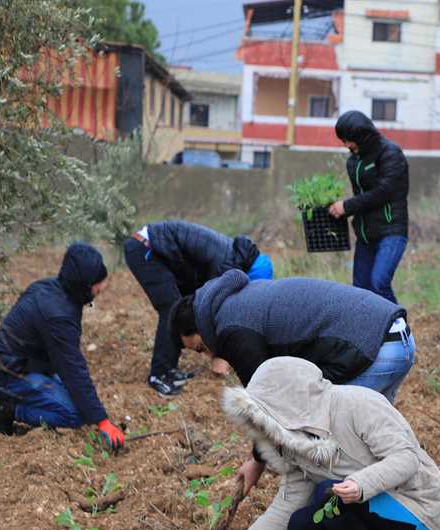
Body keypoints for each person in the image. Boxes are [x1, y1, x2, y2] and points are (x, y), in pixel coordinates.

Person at [204, 357, 440, 530]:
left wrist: (360, 484)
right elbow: (283, 509)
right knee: (299, 525)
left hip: (414, 511)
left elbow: (406, 458)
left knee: (327, 494)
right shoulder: (298, 446)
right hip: (372, 514)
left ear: (287, 405)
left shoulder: (358, 404)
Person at [170, 269, 416, 495]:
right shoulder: (234, 303)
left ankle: (363, 521)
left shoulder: (233, 330)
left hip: (372, 347)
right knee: (377, 434)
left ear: (200, 325)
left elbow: (267, 407)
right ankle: (402, 500)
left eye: (201, 347)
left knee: (339, 443)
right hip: (396, 337)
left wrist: (256, 461)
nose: (210, 355)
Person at [0, 242, 126, 451]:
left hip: (20, 363)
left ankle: (14, 396)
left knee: (79, 400)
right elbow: (73, 368)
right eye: (98, 283)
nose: (102, 287)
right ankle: (5, 409)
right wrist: (102, 422)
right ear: (84, 284)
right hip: (7, 370)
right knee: (74, 415)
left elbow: (67, 364)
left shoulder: (48, 288)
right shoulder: (58, 315)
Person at [124, 219, 272, 397]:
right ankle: (159, 375)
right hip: (146, 249)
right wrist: (220, 355)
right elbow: (213, 314)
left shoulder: (233, 260)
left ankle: (169, 369)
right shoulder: (225, 266)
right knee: (172, 309)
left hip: (160, 253)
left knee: (181, 307)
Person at [328, 110, 409, 304]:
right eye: (344, 140)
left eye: (349, 140)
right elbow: (361, 197)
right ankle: (368, 334)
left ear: (362, 136)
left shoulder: (390, 153)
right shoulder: (353, 162)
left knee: (379, 283)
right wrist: (338, 210)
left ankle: (399, 331)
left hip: (391, 231)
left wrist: (346, 206)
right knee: (360, 291)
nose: (347, 145)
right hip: (365, 235)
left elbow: (384, 192)